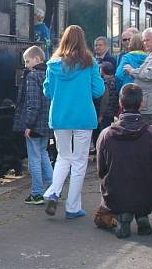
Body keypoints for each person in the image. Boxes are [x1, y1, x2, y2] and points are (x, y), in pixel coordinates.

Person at [42, 25, 105, 219]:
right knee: (79, 162)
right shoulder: (89, 62)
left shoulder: (52, 64)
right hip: (83, 116)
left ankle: (53, 191)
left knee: (63, 157)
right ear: (82, 40)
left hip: (60, 116)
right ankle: (72, 207)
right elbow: (98, 91)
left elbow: (47, 92)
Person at [95, 84, 152, 238]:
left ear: (120, 103)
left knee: (111, 180)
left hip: (115, 195)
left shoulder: (106, 134)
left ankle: (124, 216)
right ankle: (142, 216)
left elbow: (101, 169)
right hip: (147, 194)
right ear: (142, 103)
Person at [13, 46, 52, 205]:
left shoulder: (32, 77)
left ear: (37, 59)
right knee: (43, 156)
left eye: (27, 61)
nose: (26, 65)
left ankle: (37, 193)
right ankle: (52, 189)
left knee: (34, 159)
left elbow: (33, 103)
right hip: (45, 122)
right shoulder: (48, 74)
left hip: (34, 124)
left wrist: (28, 124)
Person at [122, 28, 152, 126]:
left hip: (151, 102)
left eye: (147, 40)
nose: (144, 43)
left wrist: (132, 71)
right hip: (148, 100)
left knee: (150, 130)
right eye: (143, 40)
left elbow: (151, 74)